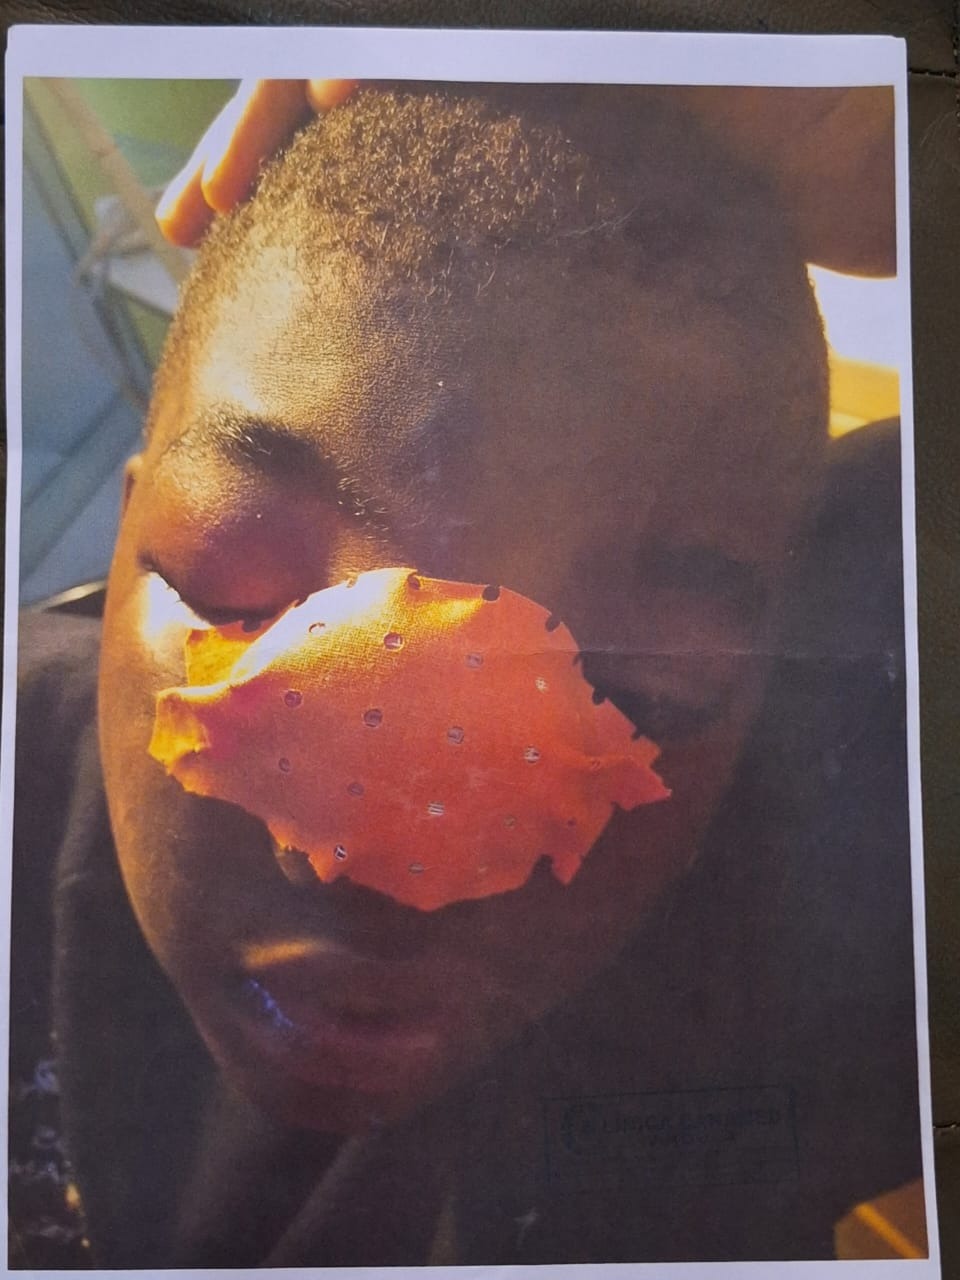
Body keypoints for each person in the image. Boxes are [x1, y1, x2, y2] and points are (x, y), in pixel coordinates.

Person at [10, 82, 922, 1267]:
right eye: (239, 592)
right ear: (131, 527)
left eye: (650, 685)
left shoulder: (821, 937)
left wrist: (917, 145)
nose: (391, 869)